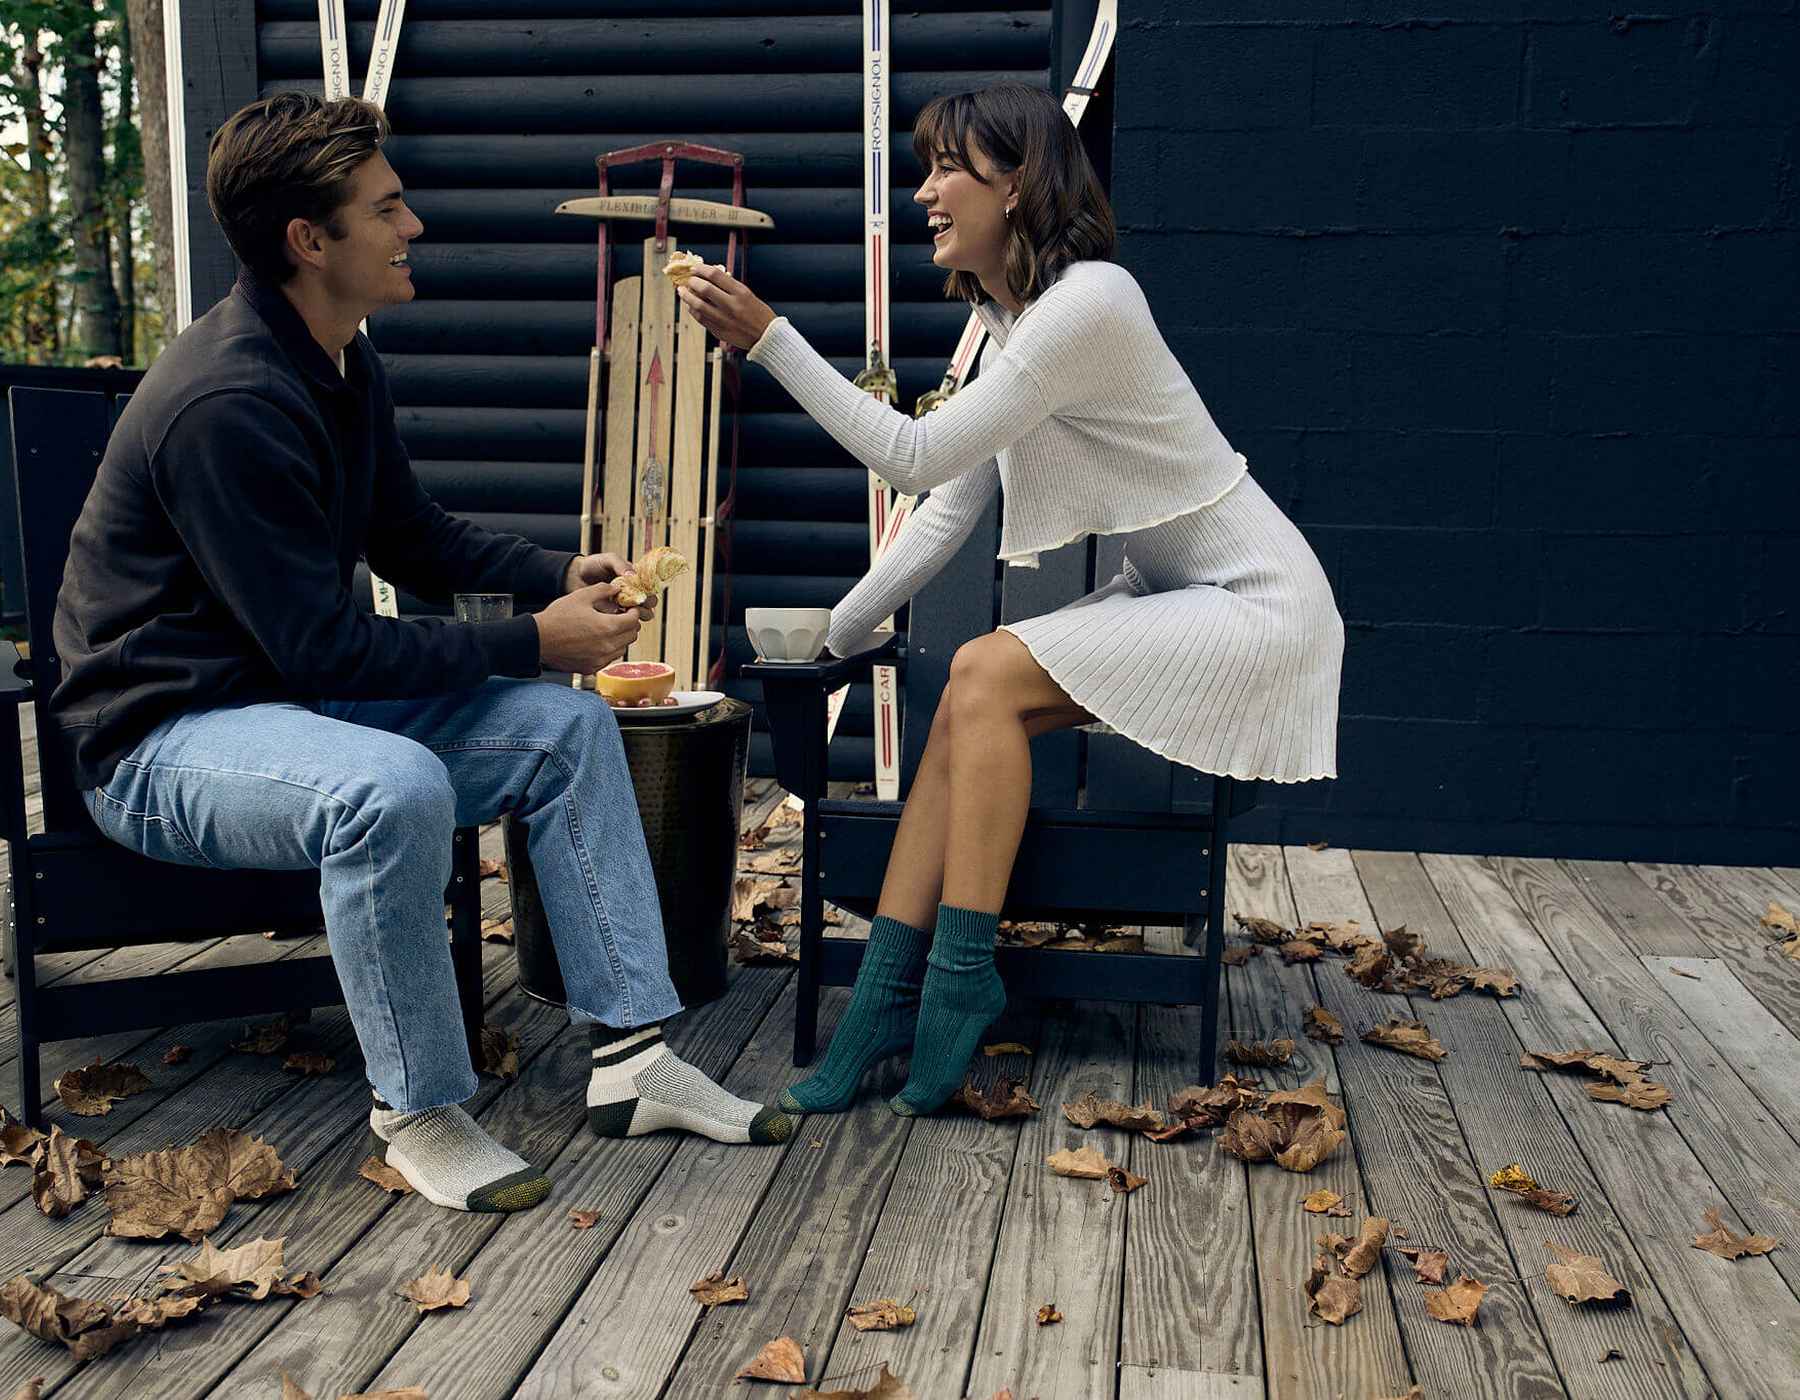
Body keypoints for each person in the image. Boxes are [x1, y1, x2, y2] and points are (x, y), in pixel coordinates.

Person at [50, 92, 791, 1215]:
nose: (415, 227)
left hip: (291, 706)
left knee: (569, 726)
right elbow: (322, 649)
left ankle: (634, 1062)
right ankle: (419, 1110)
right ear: (310, 241)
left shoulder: (341, 359)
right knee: (388, 788)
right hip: (164, 740)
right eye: (387, 208)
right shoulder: (227, 402)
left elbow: (414, 535)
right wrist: (533, 639)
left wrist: (557, 574)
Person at [678, 82, 1345, 1117]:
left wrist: (770, 339)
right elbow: (946, 511)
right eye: (926, 165)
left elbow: (914, 451)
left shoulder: (1093, 303)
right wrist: (833, 643)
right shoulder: (1011, 326)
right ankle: (881, 1005)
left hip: (1258, 603)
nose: (926, 190)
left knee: (985, 667)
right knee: (969, 695)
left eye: (949, 165)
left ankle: (955, 977)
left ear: (1020, 180)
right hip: (1185, 593)